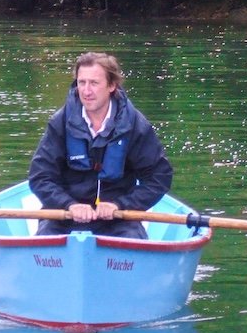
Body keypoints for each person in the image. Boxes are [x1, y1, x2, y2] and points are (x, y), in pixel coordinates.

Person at [29, 52, 173, 239]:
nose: (86, 91)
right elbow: (40, 177)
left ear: (112, 86)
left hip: (118, 217)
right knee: (45, 239)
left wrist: (121, 205)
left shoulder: (135, 125)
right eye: (82, 83)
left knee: (133, 242)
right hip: (63, 213)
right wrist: (69, 205)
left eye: (94, 83)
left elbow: (159, 177)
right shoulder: (60, 122)